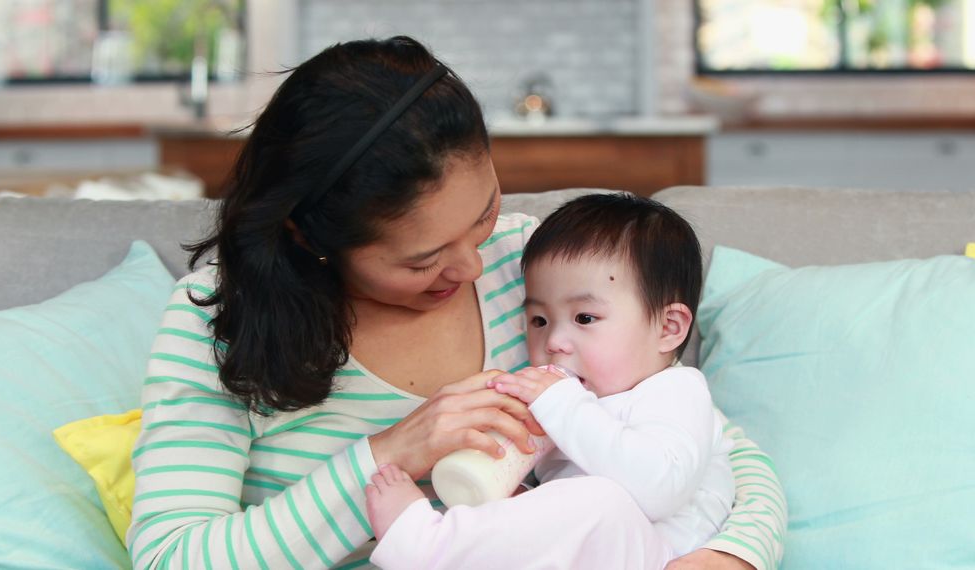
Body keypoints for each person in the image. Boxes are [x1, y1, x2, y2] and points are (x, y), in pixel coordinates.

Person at [128, 35, 786, 570]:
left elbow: (722, 455)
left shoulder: (540, 277)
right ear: (313, 238)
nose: (472, 265)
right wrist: (389, 455)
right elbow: (170, 558)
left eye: (485, 213)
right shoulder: (217, 319)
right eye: (423, 260)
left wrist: (726, 556)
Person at [365, 193, 736, 569]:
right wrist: (515, 494)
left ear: (668, 328)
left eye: (585, 319)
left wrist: (562, 405)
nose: (554, 343)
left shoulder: (675, 391)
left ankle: (426, 546)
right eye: (539, 321)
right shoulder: (571, 408)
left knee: (603, 501)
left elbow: (658, 491)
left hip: (659, 557)